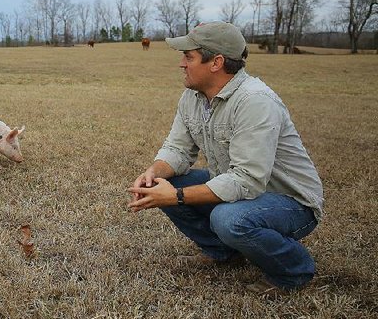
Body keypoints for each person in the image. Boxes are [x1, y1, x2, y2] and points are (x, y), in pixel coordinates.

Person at [127, 21, 323, 296]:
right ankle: (222, 251)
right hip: (239, 188)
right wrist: (153, 172)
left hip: (291, 201)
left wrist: (177, 196)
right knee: (161, 182)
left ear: (216, 62)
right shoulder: (192, 97)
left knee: (227, 218)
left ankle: (294, 271)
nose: (182, 64)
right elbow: (178, 149)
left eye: (189, 56)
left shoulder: (255, 101)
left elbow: (247, 181)